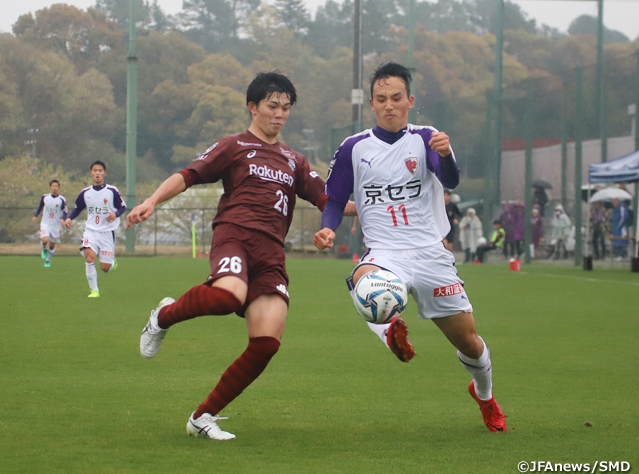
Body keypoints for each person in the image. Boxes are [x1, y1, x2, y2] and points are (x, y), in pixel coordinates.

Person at [126, 72, 354, 441]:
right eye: (272, 106)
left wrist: (377, 208)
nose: (279, 114)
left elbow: (330, 200)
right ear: (253, 107)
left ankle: (203, 417)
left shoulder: (294, 160)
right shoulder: (234, 146)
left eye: (285, 108)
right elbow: (187, 174)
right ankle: (162, 316)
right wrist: (152, 200)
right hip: (234, 236)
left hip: (271, 254)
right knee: (227, 294)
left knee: (267, 341)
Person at [313, 62, 506, 433]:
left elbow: (449, 180)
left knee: (469, 343)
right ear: (372, 103)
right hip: (385, 252)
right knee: (364, 282)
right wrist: (327, 230)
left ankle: (484, 395)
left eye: (396, 98)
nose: (389, 105)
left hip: (431, 253)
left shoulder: (426, 138)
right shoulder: (354, 147)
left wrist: (446, 154)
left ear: (410, 101)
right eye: (382, 99)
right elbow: (334, 199)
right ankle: (390, 333)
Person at [65, 161, 125, 298]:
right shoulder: (85, 193)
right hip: (91, 231)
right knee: (89, 257)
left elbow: (122, 207)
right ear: (91, 173)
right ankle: (94, 290)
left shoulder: (112, 191)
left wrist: (115, 214)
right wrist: (69, 218)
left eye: (100, 170)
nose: (97, 173)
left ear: (104, 173)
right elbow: (78, 208)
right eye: (95, 170)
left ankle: (111, 262)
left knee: (105, 268)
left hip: (107, 232)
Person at [31, 179, 68, 267]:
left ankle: (48, 260)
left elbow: (65, 211)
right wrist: (35, 216)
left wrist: (64, 218)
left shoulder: (61, 199)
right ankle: (44, 249)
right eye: (53, 186)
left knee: (52, 246)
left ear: (58, 188)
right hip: (45, 223)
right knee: (44, 240)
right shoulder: (45, 197)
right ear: (50, 187)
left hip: (55, 225)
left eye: (56, 186)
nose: (54, 188)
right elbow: (40, 206)